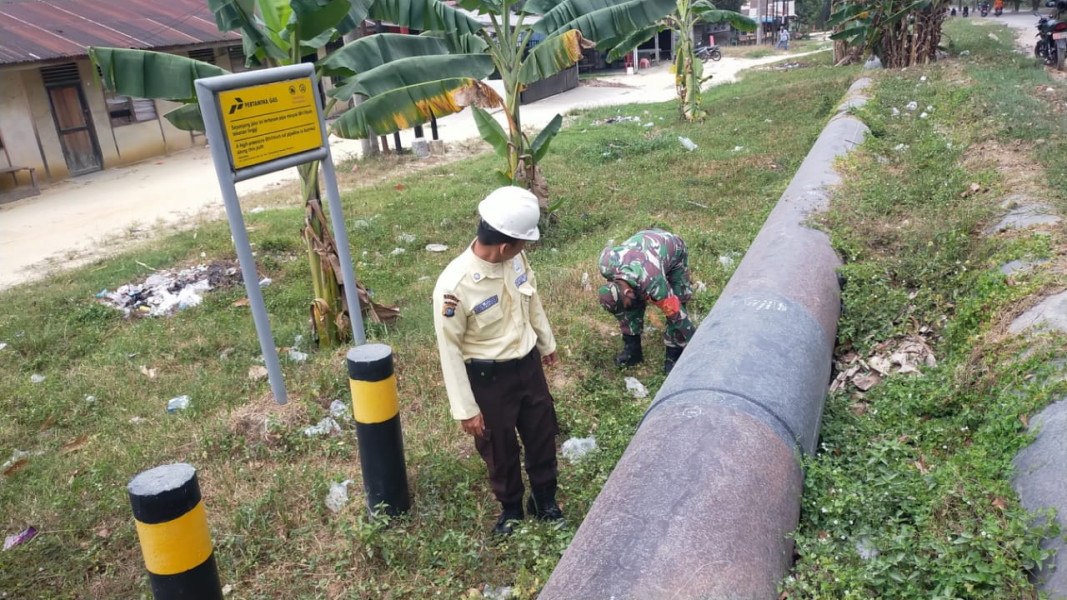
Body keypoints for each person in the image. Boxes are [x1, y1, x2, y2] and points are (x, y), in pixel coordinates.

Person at [433, 186, 564, 536]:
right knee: (499, 447)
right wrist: (466, 408)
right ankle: (511, 511)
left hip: (528, 366)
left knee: (541, 431)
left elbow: (530, 297)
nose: (525, 251)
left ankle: (544, 500)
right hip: (489, 380)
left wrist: (546, 342)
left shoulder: (515, 260)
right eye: (524, 243)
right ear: (505, 246)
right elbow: (449, 350)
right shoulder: (455, 287)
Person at [597, 229, 695, 375]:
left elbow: (677, 315)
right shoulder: (605, 264)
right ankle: (633, 352)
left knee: (677, 302)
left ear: (627, 291)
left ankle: (674, 353)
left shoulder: (654, 284)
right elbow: (609, 250)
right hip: (642, 246)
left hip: (673, 248)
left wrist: (696, 343)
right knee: (631, 305)